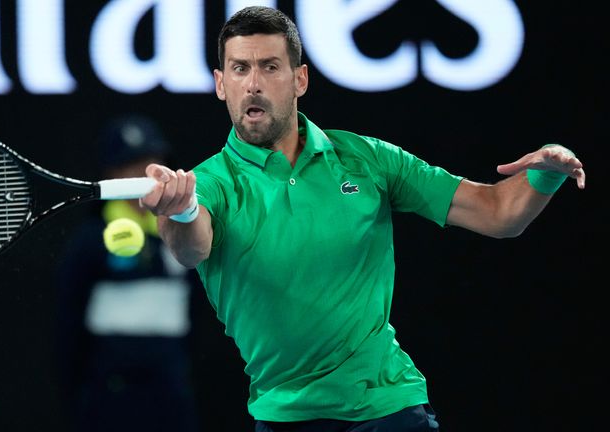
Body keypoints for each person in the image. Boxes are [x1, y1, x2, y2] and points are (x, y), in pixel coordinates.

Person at [137, 6, 587, 432]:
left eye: (270, 67)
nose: (253, 83)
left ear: (299, 79)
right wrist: (181, 208)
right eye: (240, 69)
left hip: (387, 405)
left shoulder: (368, 159)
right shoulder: (209, 182)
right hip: (285, 413)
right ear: (220, 83)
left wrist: (543, 176)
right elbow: (190, 247)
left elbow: (498, 213)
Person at [54, 114, 200, 432]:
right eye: (132, 166)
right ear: (111, 174)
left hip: (170, 392)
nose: (142, 177)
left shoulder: (185, 233)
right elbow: (68, 324)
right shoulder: (90, 242)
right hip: (109, 395)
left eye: (152, 164)